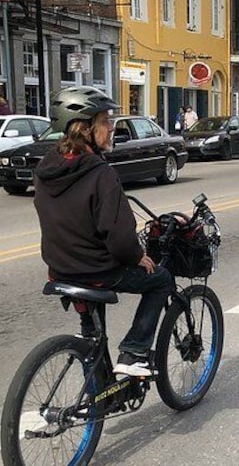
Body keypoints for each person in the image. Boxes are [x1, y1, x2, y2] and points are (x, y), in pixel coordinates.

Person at [33, 86, 173, 377]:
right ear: (85, 129)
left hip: (60, 269)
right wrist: (138, 256)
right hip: (96, 270)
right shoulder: (100, 173)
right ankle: (134, 353)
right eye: (106, 122)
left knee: (93, 338)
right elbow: (119, 238)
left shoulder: (46, 169)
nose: (111, 128)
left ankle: (98, 393)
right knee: (161, 279)